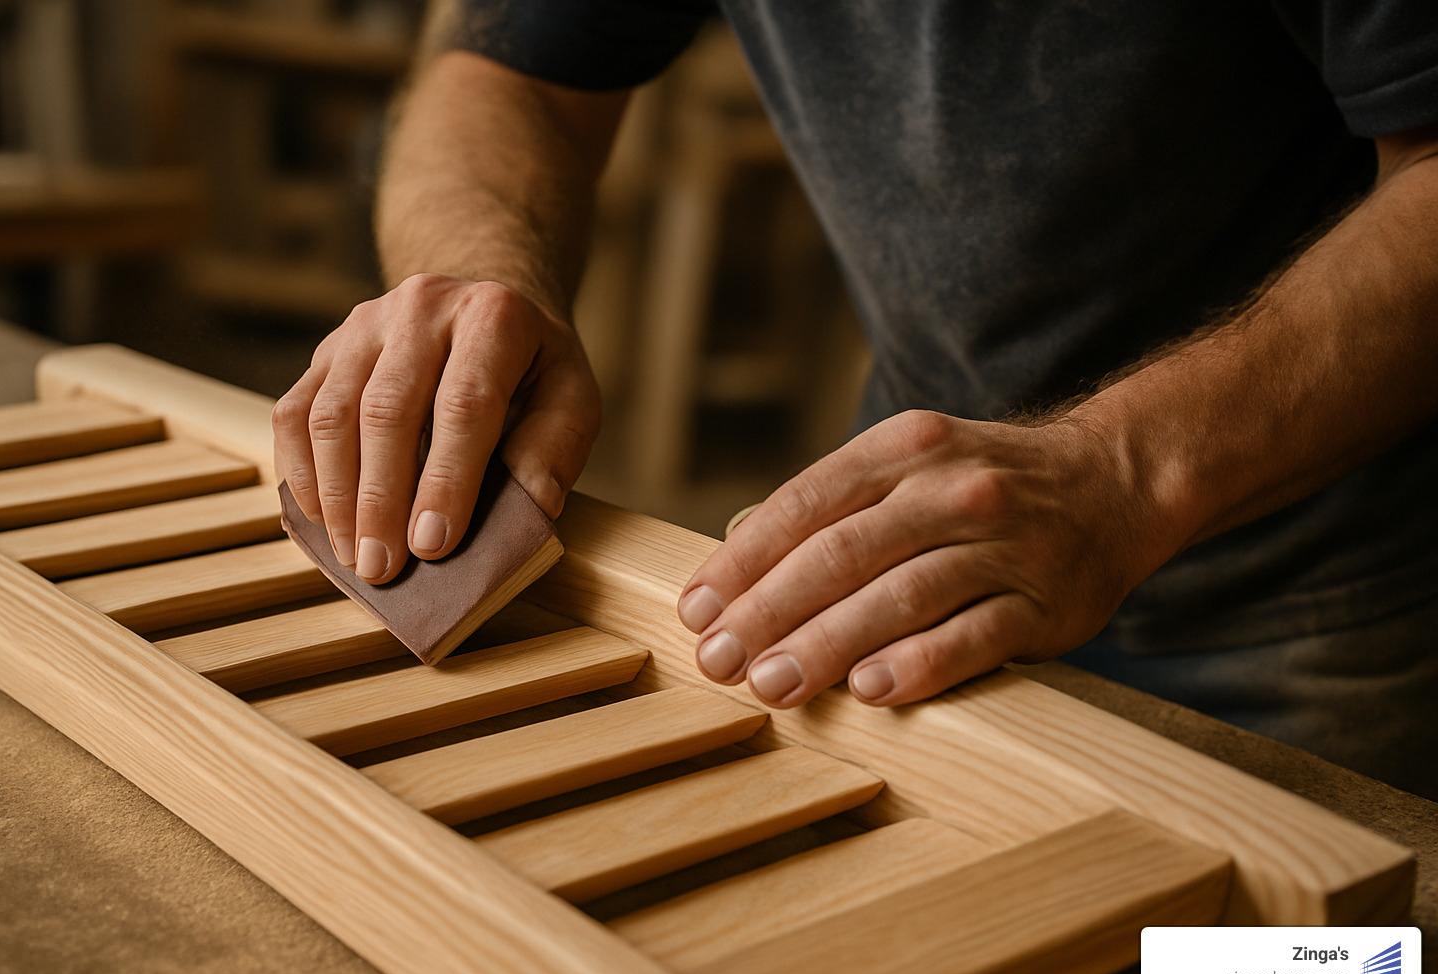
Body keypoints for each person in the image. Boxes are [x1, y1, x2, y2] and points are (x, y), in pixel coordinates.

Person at [271, 2, 1438, 799]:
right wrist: (487, 270)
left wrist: (1125, 469)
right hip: (917, 539)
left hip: (1327, 583)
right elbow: (504, 69)